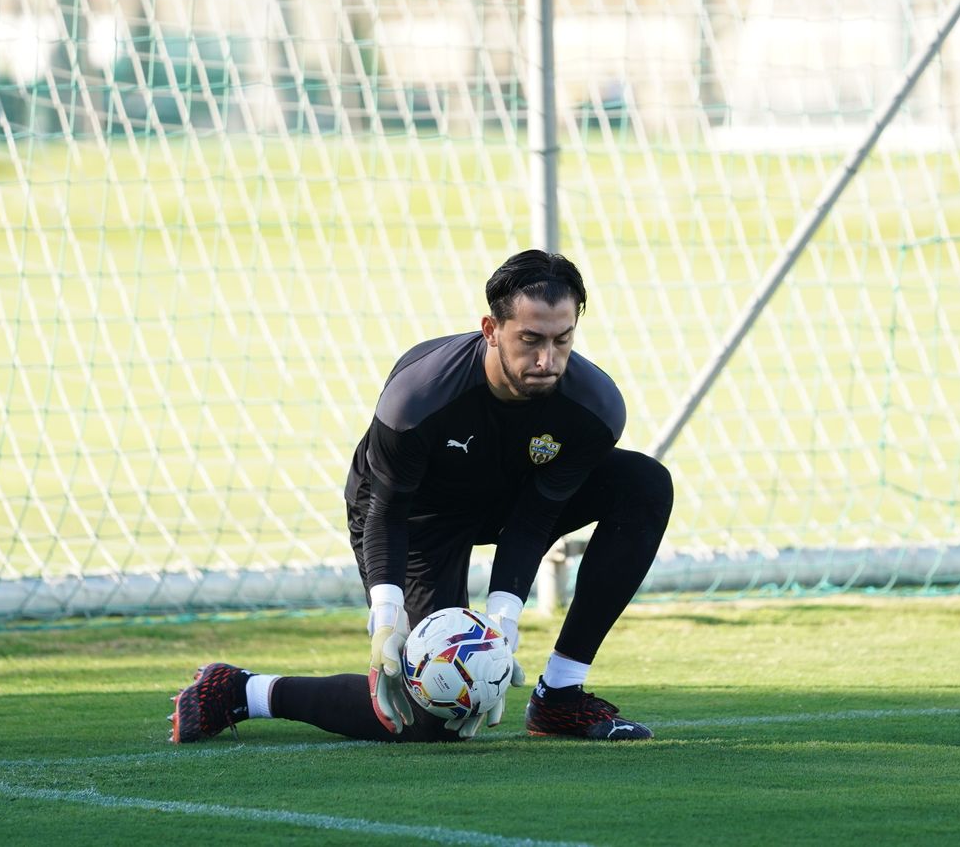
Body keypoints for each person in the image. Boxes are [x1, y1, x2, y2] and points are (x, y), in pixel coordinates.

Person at [169, 250, 673, 743]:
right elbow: (385, 511)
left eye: (562, 340)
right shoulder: (419, 397)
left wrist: (502, 624)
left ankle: (560, 697)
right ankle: (242, 691)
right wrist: (387, 619)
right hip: (414, 518)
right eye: (530, 340)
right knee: (427, 717)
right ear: (491, 330)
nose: (547, 359)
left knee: (643, 484)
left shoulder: (594, 407)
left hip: (509, 501)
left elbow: (535, 519)